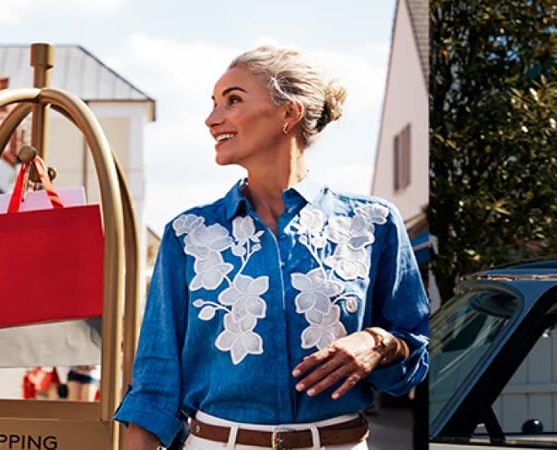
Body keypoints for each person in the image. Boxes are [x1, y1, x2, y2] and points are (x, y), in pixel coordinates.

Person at [114, 46, 429, 450]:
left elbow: (414, 353)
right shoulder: (189, 234)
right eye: (213, 103)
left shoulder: (373, 224)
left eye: (233, 100)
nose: (212, 119)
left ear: (288, 113)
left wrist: (376, 343)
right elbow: (155, 380)